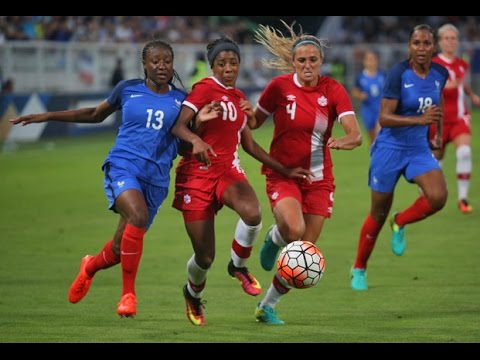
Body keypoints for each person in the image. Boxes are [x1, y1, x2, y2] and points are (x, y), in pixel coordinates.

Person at [10, 39, 217, 317]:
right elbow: (95, 115)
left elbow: (181, 146)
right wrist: (48, 115)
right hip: (123, 165)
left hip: (155, 179)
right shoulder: (127, 89)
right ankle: (128, 296)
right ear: (144, 64)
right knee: (138, 216)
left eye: (166, 61)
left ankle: (90, 267)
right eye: (155, 61)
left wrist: (199, 127)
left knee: (121, 249)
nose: (161, 66)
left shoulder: (181, 100)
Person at [171, 36, 312, 326]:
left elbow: (249, 146)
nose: (228, 68)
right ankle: (192, 294)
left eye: (233, 63)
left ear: (239, 65)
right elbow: (178, 126)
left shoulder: (238, 97)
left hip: (226, 171)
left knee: (252, 213)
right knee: (204, 257)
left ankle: (238, 266)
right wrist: (197, 134)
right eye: (221, 64)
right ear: (212, 66)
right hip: (196, 175)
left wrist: (284, 170)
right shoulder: (203, 89)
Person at [250, 22, 362, 324]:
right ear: (292, 62)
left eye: (314, 60)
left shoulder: (333, 90)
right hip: (284, 174)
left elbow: (355, 132)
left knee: (305, 254)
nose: (308, 65)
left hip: (319, 179)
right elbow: (253, 123)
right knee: (294, 232)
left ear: (321, 61)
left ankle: (266, 306)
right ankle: (275, 237)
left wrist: (347, 140)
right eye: (302, 60)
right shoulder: (279, 88)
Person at [351, 24, 449, 291]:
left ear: (433, 47)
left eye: (426, 43)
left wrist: (437, 133)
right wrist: (421, 120)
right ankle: (359, 267)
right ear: (409, 46)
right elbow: (384, 117)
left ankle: (401, 220)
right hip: (389, 150)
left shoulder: (441, 73)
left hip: (418, 148)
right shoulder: (398, 73)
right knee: (378, 213)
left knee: (438, 197)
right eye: (416, 43)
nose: (421, 48)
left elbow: (437, 103)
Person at [430, 23, 480, 214]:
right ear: (440, 42)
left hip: (460, 117)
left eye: (453, 38)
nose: (451, 42)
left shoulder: (461, 64)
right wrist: (442, 87)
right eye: (447, 38)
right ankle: (431, 190)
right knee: (436, 159)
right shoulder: (434, 64)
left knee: (464, 153)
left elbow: (461, 84)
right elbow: (428, 87)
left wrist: (472, 94)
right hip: (439, 120)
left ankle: (463, 198)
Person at [351, 51, 386, 143]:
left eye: (373, 59)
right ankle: (373, 155)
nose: (371, 61)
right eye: (368, 59)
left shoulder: (382, 75)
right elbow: (354, 92)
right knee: (372, 138)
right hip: (368, 110)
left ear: (377, 61)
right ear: (364, 61)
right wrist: (360, 95)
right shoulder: (360, 77)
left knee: (379, 134)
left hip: (380, 110)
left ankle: (380, 154)